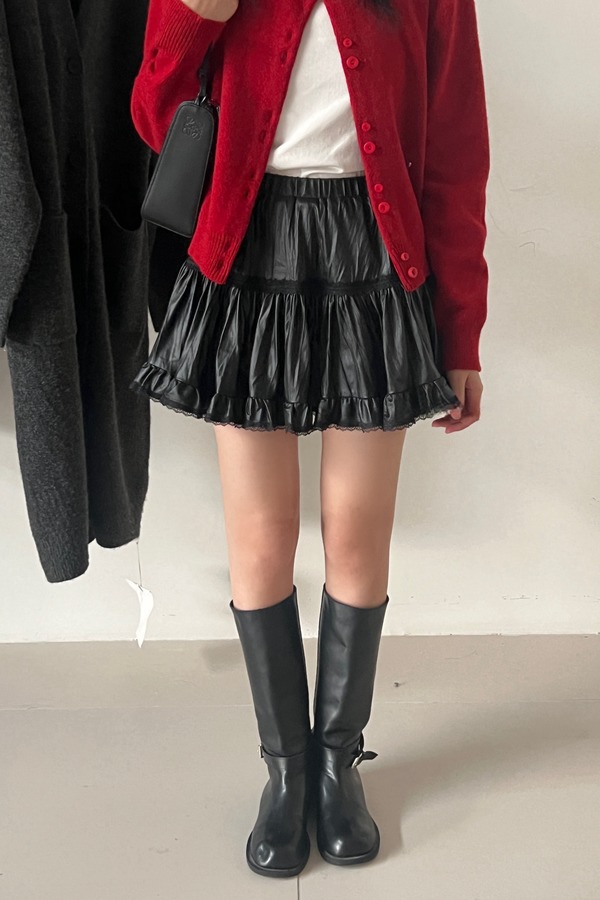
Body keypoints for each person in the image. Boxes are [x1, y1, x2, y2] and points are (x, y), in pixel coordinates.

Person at [128, 0, 490, 879]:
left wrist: (462, 332)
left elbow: (455, 151)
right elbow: (151, 115)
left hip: (376, 257)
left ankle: (337, 763)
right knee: (260, 535)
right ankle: (286, 771)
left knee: (357, 531)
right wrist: (197, 16)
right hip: (245, 254)